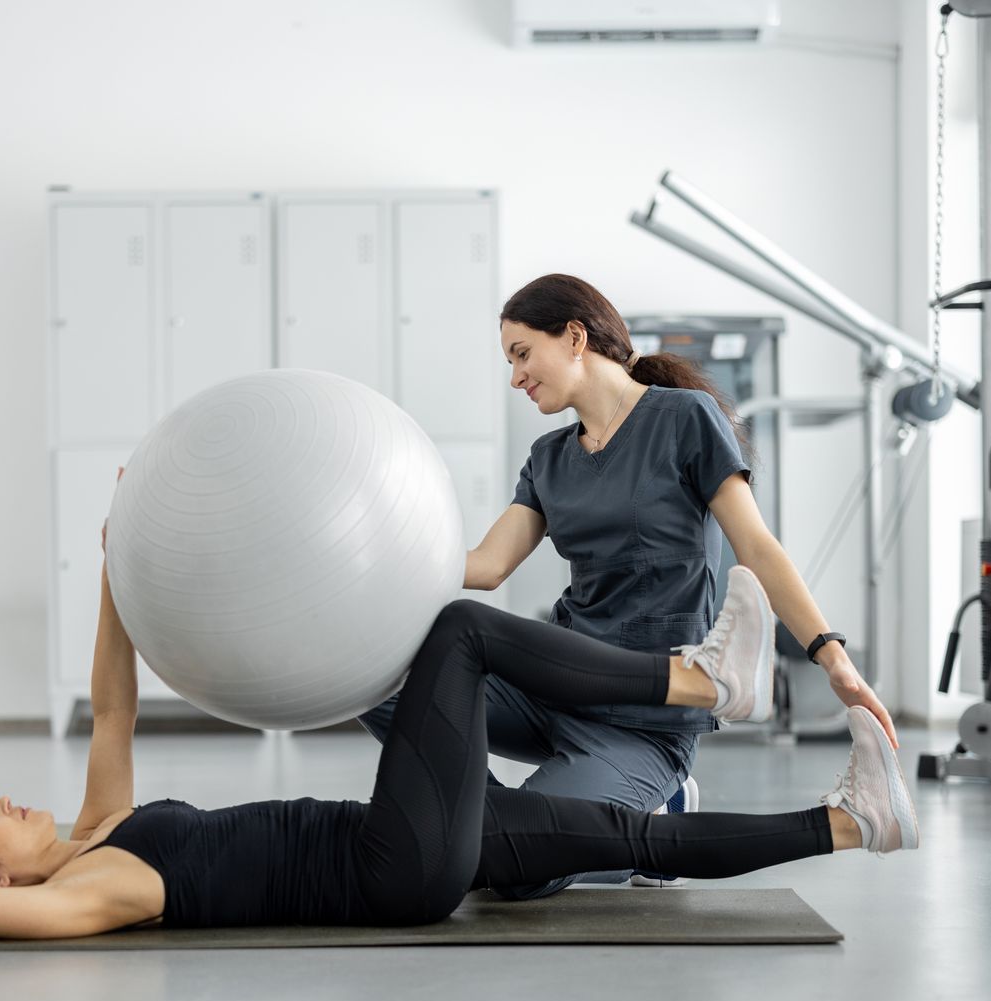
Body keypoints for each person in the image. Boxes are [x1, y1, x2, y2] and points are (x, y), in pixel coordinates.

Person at [0, 561, 919, 943]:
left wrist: (124, 557)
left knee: (624, 841)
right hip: (393, 866)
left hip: (407, 857)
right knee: (461, 634)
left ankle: (853, 823)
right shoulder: (87, 894)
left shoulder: (91, 834)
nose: (6, 806)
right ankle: (700, 679)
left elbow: (112, 709)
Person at [359, 274, 897, 900]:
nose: (516, 378)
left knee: (509, 873)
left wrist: (833, 658)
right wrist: (379, 559)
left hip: (642, 720)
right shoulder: (548, 456)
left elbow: (757, 547)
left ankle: (639, 816)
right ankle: (518, 822)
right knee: (376, 683)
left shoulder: (683, 420)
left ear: (575, 337)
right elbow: (486, 565)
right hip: (550, 686)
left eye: (522, 354)